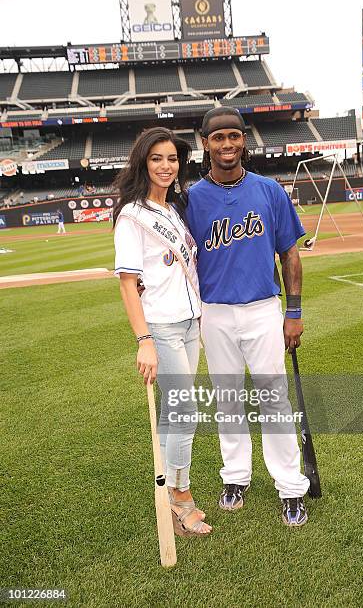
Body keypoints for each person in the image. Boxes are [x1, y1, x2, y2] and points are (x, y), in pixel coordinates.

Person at [185, 107, 310, 527]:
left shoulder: (269, 190)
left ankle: (291, 487)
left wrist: (293, 312)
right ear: (206, 143)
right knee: (228, 402)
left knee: (274, 400)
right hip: (215, 313)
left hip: (262, 310)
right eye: (218, 138)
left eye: (234, 136)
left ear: (244, 140)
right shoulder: (191, 199)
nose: (227, 145)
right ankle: (235, 477)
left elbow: (289, 254)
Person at [113, 127, 211, 537]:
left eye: (172, 159)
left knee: (174, 414)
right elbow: (126, 283)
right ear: (143, 162)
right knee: (185, 413)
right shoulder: (132, 216)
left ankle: (171, 487)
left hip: (191, 322)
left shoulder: (174, 210)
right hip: (162, 326)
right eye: (157, 159)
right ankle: (180, 494)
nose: (166, 166)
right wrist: (145, 340)